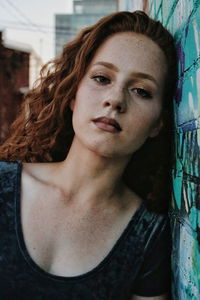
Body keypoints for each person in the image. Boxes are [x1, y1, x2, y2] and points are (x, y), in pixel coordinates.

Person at [0, 10, 177, 300]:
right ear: (72, 94)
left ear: (158, 122)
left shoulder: (149, 236)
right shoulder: (3, 185)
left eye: (141, 91)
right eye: (101, 78)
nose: (116, 99)